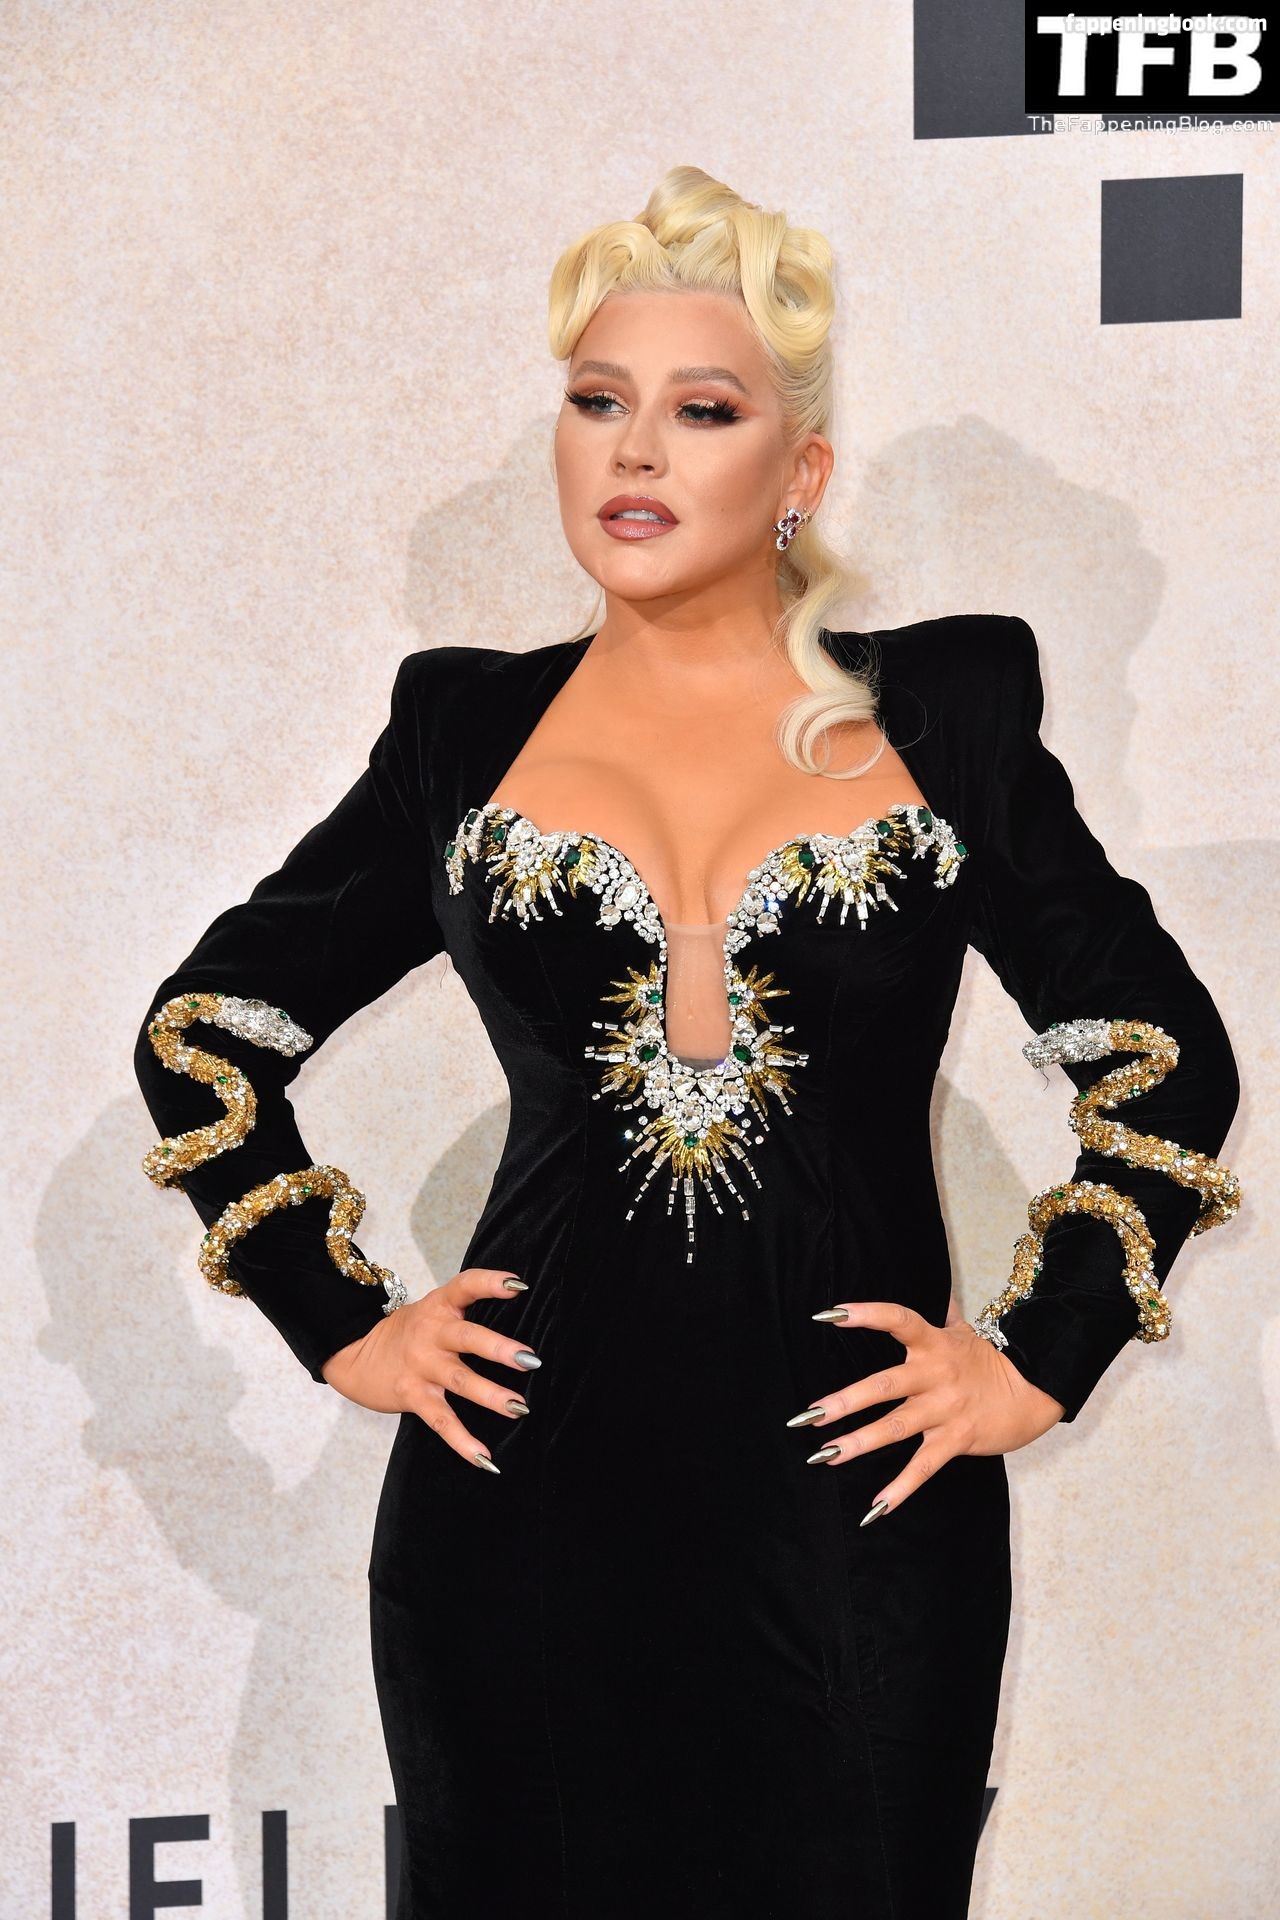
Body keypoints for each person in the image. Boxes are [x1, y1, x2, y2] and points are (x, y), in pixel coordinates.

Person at [132, 166, 1243, 1918]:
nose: (635, 450)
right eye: (598, 402)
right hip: (514, 1530)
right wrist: (339, 1321)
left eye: (702, 410)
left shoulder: (943, 713)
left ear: (800, 472)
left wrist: (1039, 1355)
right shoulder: (460, 730)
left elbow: (1163, 1051)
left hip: (860, 1532)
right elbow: (208, 1030)